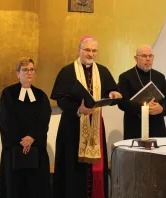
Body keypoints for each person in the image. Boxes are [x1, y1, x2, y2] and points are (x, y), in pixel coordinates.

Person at [50, 36, 122, 198]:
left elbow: (111, 93)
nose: (91, 54)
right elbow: (60, 100)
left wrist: (112, 93)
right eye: (87, 50)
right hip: (72, 128)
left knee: (94, 170)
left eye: (94, 50)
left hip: (95, 128)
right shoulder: (67, 71)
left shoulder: (102, 71)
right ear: (79, 50)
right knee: (72, 169)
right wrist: (78, 109)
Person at [0, 57, 52, 198]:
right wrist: (21, 141)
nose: (29, 73)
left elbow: (44, 120)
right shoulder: (8, 94)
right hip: (14, 150)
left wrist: (32, 138)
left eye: (31, 69)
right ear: (18, 73)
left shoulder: (41, 96)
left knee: (36, 189)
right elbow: (6, 120)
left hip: (36, 150)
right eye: (25, 70)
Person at [117, 45, 166, 139]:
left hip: (157, 126)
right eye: (144, 56)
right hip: (135, 125)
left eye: (151, 56)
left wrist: (162, 109)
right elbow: (122, 103)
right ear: (136, 58)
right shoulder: (125, 77)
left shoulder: (159, 77)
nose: (148, 59)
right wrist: (144, 107)